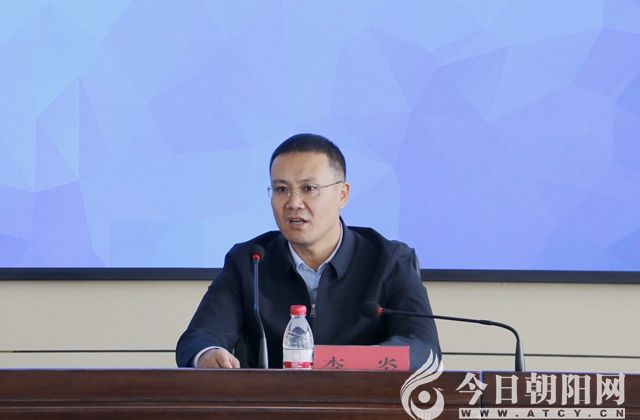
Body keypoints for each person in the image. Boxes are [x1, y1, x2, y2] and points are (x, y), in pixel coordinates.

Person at [176, 133, 440, 370]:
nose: (293, 203)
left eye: (309, 189)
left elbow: (422, 346)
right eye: (281, 189)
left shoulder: (390, 260)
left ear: (342, 194)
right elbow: (199, 338)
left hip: (362, 400)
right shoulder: (250, 261)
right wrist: (208, 353)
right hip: (272, 403)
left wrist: (352, 362)